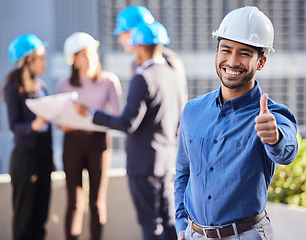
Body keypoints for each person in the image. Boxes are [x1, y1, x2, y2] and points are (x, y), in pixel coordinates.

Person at [174, 6, 298, 240]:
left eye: (244, 53)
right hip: (193, 235)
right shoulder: (192, 110)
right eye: (226, 50)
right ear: (217, 53)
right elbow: (183, 172)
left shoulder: (272, 114)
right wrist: (181, 224)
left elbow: (288, 152)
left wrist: (275, 138)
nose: (232, 61)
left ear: (260, 62)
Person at [74, 22, 182, 240]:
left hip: (143, 164)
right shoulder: (173, 75)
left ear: (141, 49)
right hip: (165, 160)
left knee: (149, 222)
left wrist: (90, 113)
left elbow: (127, 123)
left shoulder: (142, 78)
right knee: (168, 220)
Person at [57, 32, 122, 240]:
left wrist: (90, 115)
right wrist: (67, 124)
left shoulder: (109, 81)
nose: (89, 59)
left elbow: (118, 117)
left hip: (98, 143)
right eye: (83, 55)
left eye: (92, 53)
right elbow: (59, 119)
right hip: (73, 143)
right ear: (73, 60)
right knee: (74, 202)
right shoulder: (63, 85)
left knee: (96, 202)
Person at [3, 34, 53, 240]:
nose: (45, 63)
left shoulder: (41, 86)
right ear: (28, 60)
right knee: (24, 217)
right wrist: (33, 125)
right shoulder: (13, 88)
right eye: (41, 58)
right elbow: (14, 125)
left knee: (41, 215)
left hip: (43, 154)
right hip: (25, 157)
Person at [114, 5, 188, 105]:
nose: (119, 40)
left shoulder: (169, 61)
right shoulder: (136, 63)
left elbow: (179, 102)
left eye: (123, 33)